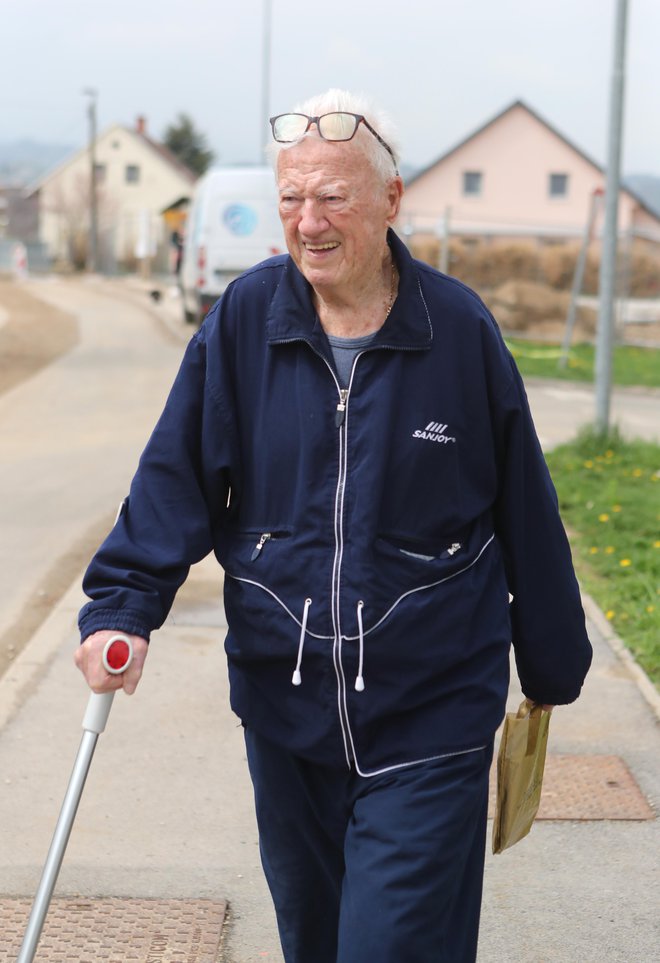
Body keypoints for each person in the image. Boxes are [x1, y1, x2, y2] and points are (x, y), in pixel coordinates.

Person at [75, 89, 592, 963]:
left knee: (390, 948)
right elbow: (176, 478)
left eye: (332, 198)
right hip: (289, 710)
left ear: (391, 201)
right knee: (315, 941)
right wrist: (122, 605)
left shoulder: (459, 331)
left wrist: (551, 662)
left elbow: (525, 508)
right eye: (290, 198)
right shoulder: (244, 321)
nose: (306, 222)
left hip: (431, 712)